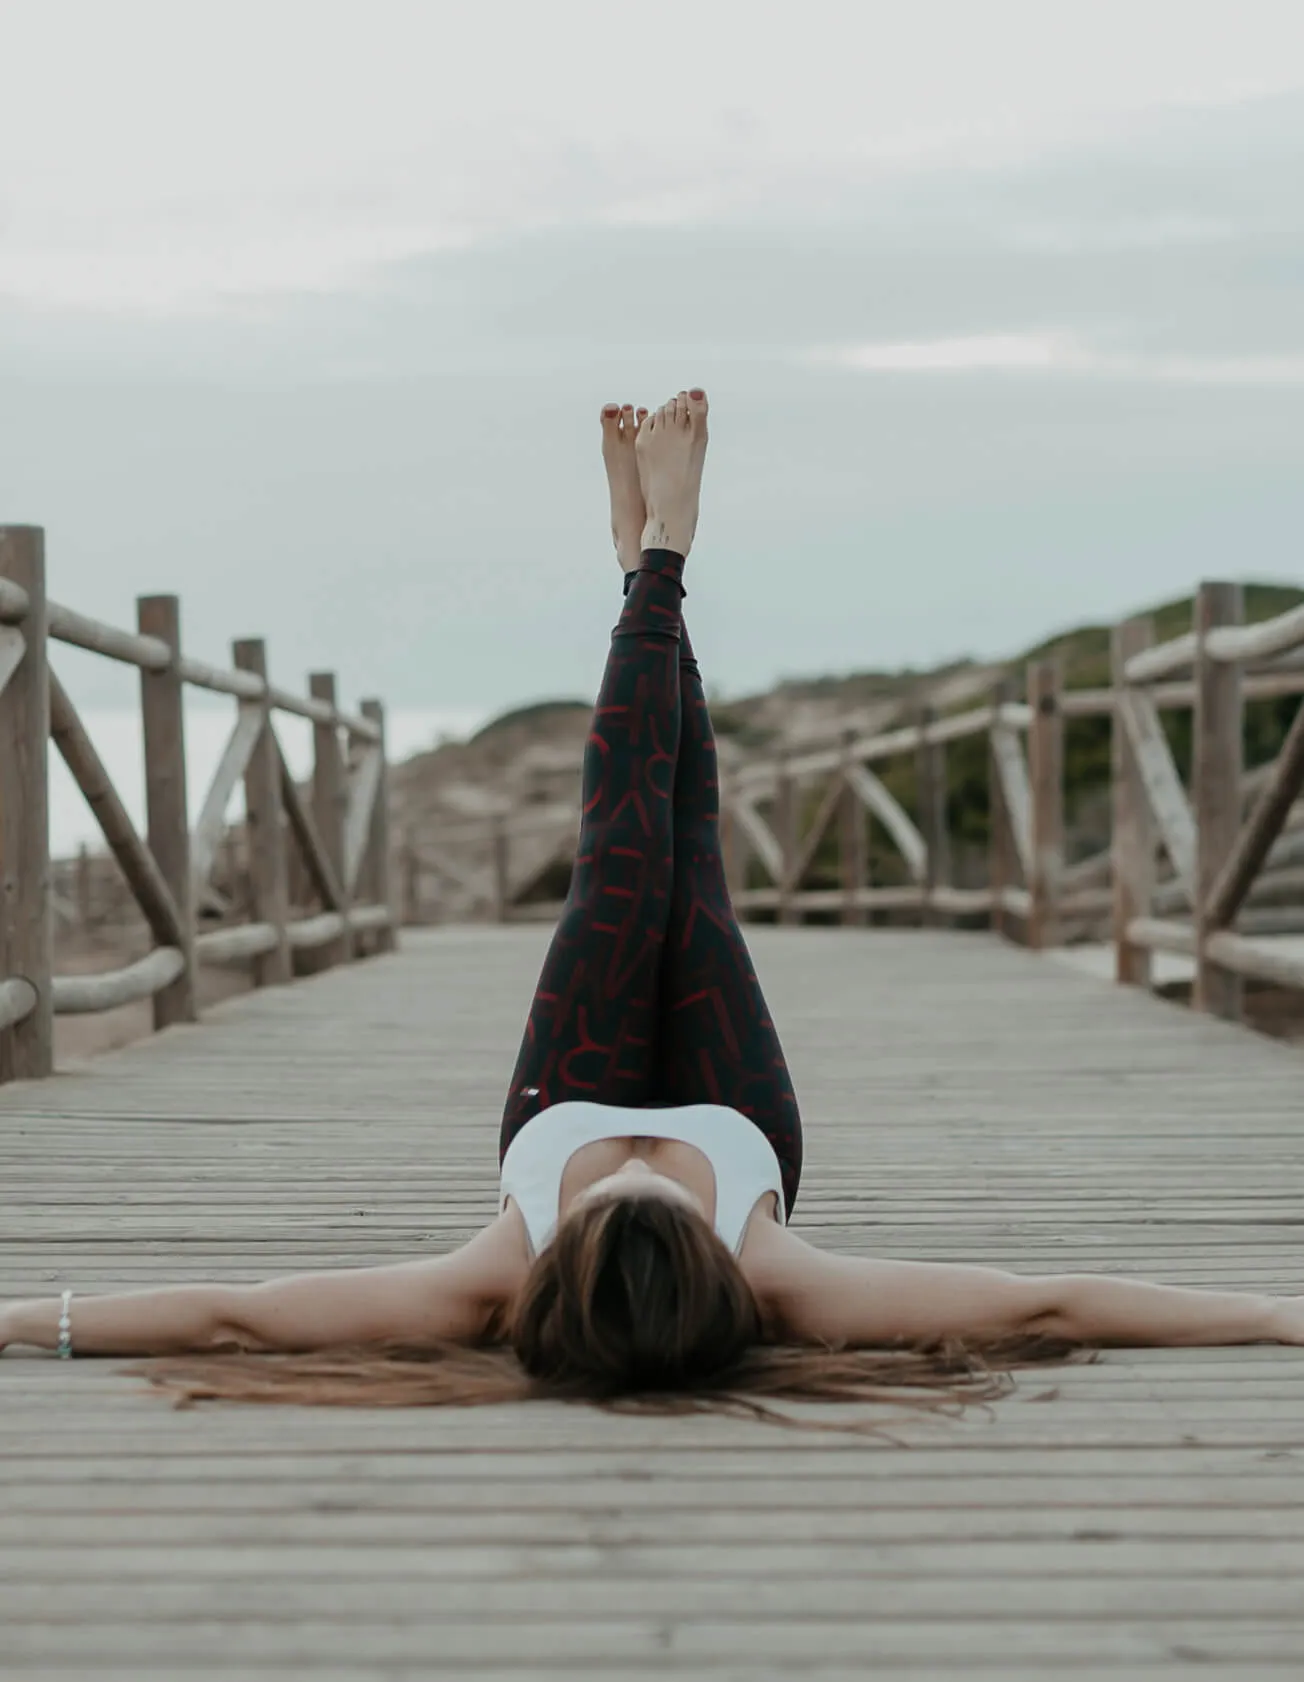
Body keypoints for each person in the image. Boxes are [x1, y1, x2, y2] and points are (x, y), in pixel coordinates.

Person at [3, 389, 1301, 1424]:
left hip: (560, 1087)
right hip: (739, 1109)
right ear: (721, 1260)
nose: (635, 1169)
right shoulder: (779, 1272)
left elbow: (241, 1317)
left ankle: (651, 563)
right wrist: (1277, 1317)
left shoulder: (489, 1278)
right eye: (660, 1196)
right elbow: (1053, 1304)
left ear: (556, 1260)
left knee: (623, 836)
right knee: (690, 841)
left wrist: (30, 1319)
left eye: (613, 1197)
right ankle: (651, 561)